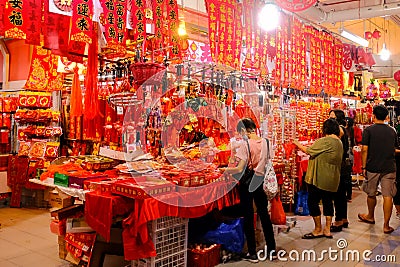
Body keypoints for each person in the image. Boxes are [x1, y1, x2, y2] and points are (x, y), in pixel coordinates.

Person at [224, 118, 276, 263]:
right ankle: (272, 250)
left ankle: (252, 253)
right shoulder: (266, 142)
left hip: (248, 182)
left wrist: (225, 170)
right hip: (261, 181)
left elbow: (239, 168)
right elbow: (269, 159)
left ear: (243, 130)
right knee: (264, 214)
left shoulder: (245, 144)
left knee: (248, 215)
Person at [293, 118, 343, 239]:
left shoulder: (326, 141)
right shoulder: (338, 142)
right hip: (333, 177)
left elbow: (309, 150)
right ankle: (327, 229)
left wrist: (296, 143)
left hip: (320, 177)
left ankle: (318, 229)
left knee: (312, 201)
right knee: (327, 202)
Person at [358, 105, 398, 234]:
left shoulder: (368, 130)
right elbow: (395, 149)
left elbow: (364, 149)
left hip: (372, 166)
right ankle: (386, 225)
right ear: (387, 116)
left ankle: (370, 216)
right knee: (388, 195)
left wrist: (363, 166)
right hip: (389, 166)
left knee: (371, 192)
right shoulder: (392, 131)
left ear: (373, 116)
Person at [328, 110, 351, 232]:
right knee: (342, 193)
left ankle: (338, 221)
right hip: (344, 165)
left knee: (338, 193)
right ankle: (344, 218)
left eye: (332, 117)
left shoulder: (339, 130)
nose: (330, 119)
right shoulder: (343, 128)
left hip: (339, 165)